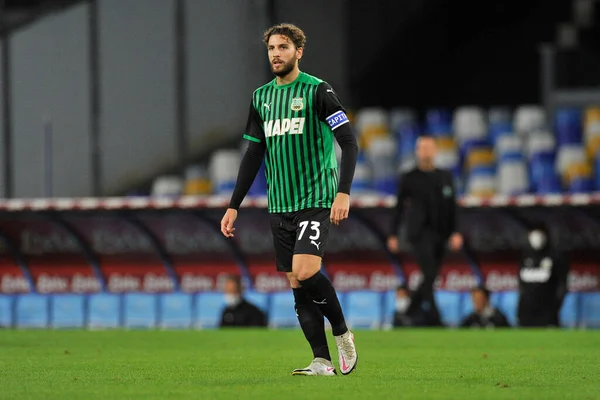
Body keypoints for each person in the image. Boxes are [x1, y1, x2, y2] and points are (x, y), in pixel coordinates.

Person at [220, 23, 359, 376]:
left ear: (298, 51)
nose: (276, 54)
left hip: (315, 197)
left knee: (305, 269)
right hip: (279, 204)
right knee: (296, 285)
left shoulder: (317, 91)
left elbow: (349, 141)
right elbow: (252, 154)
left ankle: (342, 332)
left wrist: (343, 192)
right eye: (271, 48)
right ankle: (321, 360)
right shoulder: (261, 98)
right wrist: (234, 204)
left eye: (283, 47)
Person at [387, 136, 463, 326]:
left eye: (429, 147)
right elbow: (398, 207)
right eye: (421, 147)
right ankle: (436, 318)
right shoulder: (409, 177)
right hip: (419, 233)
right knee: (429, 274)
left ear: (435, 151)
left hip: (441, 233)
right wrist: (393, 233)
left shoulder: (445, 176)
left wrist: (456, 232)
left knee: (431, 277)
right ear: (417, 151)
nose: (425, 151)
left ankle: (409, 313)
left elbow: (453, 206)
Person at [517, 223, 569, 327]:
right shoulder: (525, 255)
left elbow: (562, 284)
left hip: (547, 312)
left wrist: (556, 305)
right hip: (526, 311)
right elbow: (521, 283)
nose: (536, 238)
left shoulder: (556, 256)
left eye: (540, 234)